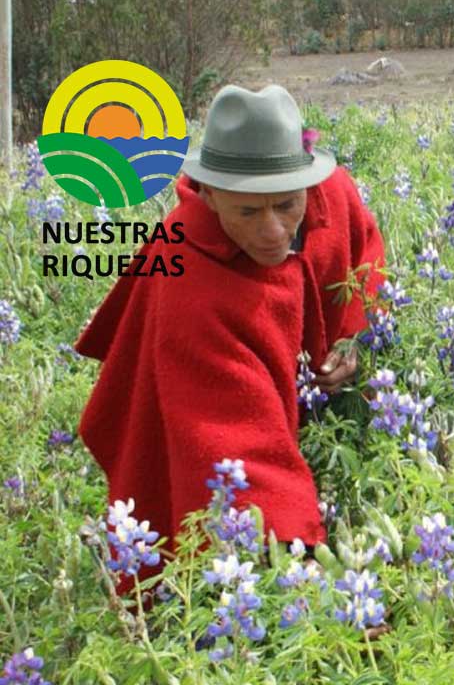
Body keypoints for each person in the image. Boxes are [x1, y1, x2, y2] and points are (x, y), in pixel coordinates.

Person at [76, 84, 385, 573]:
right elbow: (233, 442)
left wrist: (352, 338)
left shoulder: (332, 195)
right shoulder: (184, 272)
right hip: (246, 444)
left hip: (323, 416)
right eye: (248, 211)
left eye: (286, 205)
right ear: (211, 195)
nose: (272, 230)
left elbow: (365, 264)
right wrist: (302, 558)